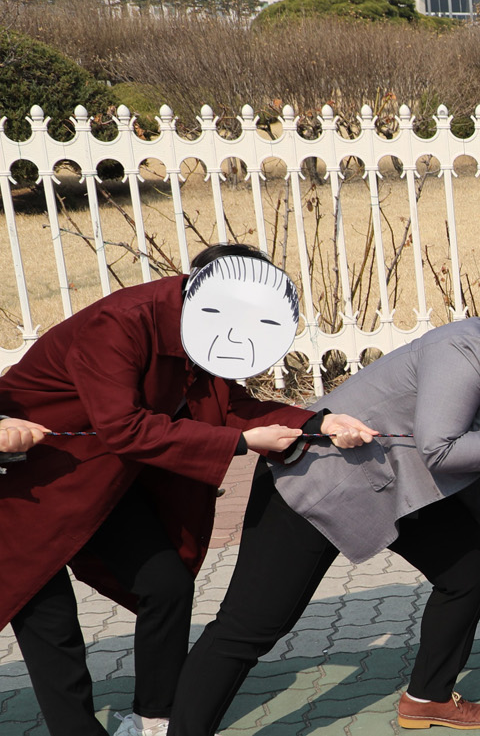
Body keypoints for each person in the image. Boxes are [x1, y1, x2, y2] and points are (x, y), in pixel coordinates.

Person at [170, 276, 480, 735]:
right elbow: (441, 448)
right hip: (320, 482)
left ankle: (427, 697)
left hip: (400, 485)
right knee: (251, 627)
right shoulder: (467, 350)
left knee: (469, 567)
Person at [0, 245, 365, 736]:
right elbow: (123, 427)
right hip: (29, 482)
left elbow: (227, 405)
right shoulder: (121, 323)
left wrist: (317, 421)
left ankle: (153, 718)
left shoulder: (202, 331)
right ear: (198, 286)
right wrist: (239, 443)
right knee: (50, 621)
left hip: (104, 482)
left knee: (166, 584)